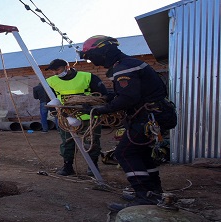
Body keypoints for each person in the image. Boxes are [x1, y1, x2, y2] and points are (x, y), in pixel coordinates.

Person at [78, 35, 177, 212]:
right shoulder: (128, 63)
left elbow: (128, 98)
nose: (95, 63)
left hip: (147, 118)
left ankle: (143, 196)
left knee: (124, 153)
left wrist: (100, 110)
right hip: (153, 115)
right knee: (142, 154)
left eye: (92, 57)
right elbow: (133, 93)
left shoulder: (124, 68)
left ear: (104, 50)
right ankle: (153, 192)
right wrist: (108, 97)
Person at [45, 58, 108, 176]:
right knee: (67, 142)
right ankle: (67, 166)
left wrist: (93, 107)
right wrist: (63, 114)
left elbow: (103, 95)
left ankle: (93, 166)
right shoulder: (50, 81)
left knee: (92, 142)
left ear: (67, 67)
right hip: (66, 118)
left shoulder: (87, 77)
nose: (55, 73)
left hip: (89, 117)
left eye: (57, 70)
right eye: (53, 71)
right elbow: (46, 100)